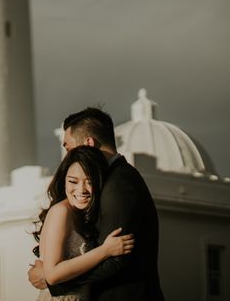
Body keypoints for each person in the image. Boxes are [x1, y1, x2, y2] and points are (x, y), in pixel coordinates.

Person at [29, 107, 165, 301]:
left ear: (89, 144)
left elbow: (117, 260)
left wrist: (52, 280)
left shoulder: (119, 184)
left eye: (68, 147)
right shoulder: (106, 182)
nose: (68, 156)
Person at [33, 145, 135, 301]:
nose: (81, 190)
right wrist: (105, 251)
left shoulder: (80, 214)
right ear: (64, 181)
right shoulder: (61, 211)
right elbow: (52, 275)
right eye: (73, 181)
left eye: (90, 182)